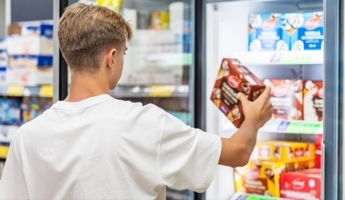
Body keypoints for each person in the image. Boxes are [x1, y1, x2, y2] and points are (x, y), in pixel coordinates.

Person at [0, 3, 272, 199]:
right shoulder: (143, 123)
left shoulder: (27, 137)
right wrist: (254, 118)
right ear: (112, 57)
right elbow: (237, 152)